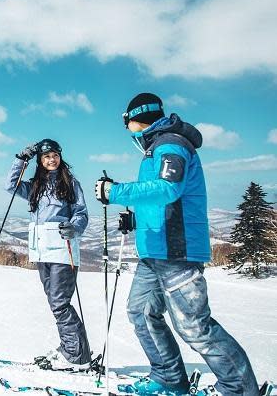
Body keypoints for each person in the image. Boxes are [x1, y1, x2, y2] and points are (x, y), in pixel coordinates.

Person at [94, 93, 259, 396]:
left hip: (177, 252)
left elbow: (168, 188)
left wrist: (114, 192)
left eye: (126, 122)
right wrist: (137, 220)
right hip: (154, 251)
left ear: (135, 119)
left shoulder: (171, 143)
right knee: (141, 311)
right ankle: (169, 377)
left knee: (194, 326)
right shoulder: (155, 147)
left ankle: (240, 389)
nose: (126, 128)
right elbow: (160, 200)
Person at [6, 138, 91, 370]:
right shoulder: (36, 185)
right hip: (41, 251)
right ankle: (73, 349)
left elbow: (81, 213)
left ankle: (76, 356)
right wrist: (21, 159)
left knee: (59, 303)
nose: (51, 159)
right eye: (46, 157)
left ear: (60, 157)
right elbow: (10, 185)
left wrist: (75, 227)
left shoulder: (71, 183)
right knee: (56, 303)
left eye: (54, 155)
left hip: (63, 251)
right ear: (40, 161)